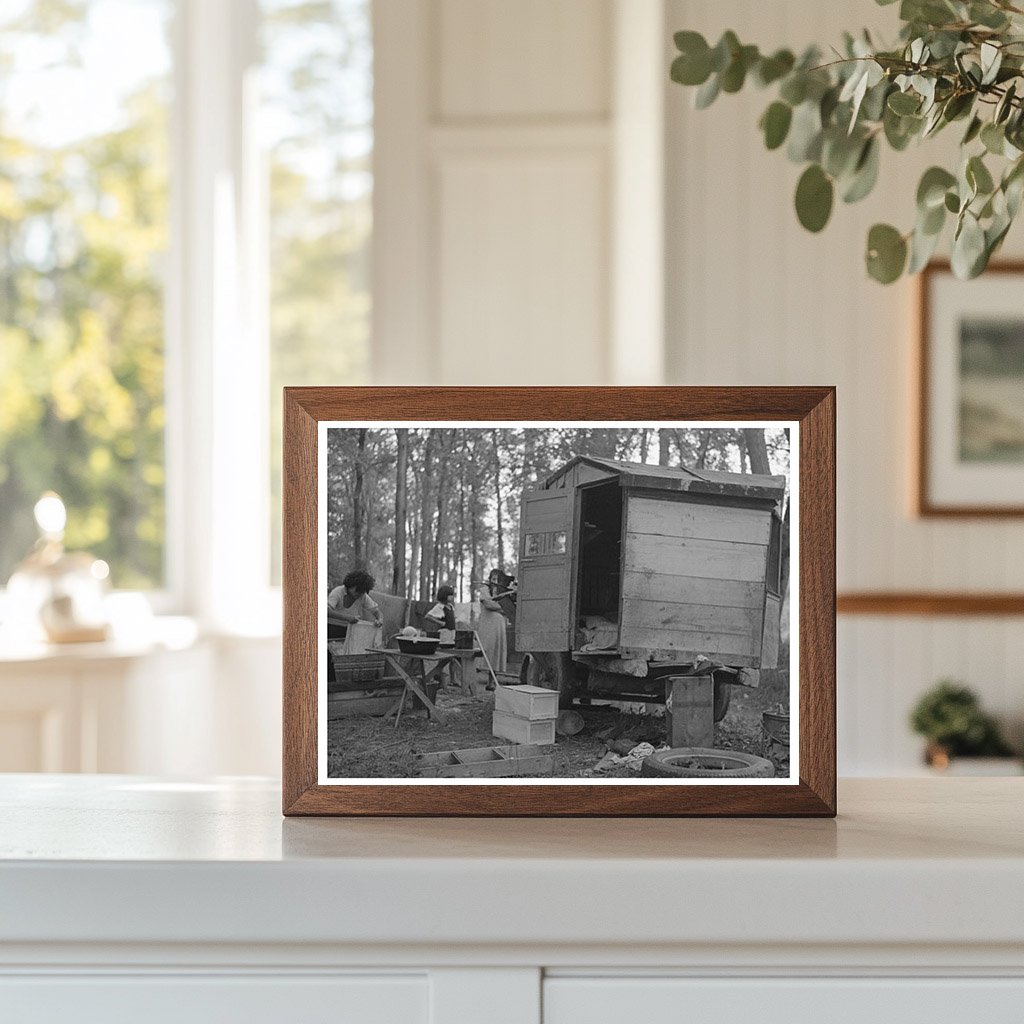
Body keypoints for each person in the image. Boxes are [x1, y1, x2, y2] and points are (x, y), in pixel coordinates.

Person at [327, 569, 383, 654]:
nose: (359, 594)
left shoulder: (363, 596)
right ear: (350, 585)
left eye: (362, 592)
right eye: (357, 590)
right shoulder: (338, 592)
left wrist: (379, 620)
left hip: (349, 632)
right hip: (331, 630)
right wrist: (347, 618)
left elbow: (377, 611)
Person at [474, 582, 508, 689]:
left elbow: (510, 607)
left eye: (498, 579)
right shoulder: (485, 590)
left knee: (496, 653)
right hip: (488, 626)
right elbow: (488, 604)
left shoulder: (502, 592)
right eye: (493, 578)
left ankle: (491, 682)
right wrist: (502, 608)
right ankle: (471, 680)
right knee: (486, 651)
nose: (495, 580)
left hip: (499, 627)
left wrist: (504, 608)